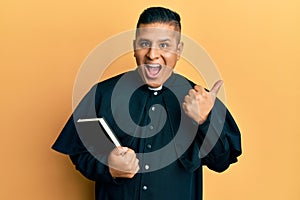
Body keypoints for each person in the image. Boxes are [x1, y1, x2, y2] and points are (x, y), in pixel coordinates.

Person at [52, 7, 242, 200]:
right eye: (145, 43)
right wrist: (107, 168)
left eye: (164, 45)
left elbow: (221, 162)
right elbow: (80, 153)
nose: (152, 54)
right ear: (134, 47)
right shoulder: (102, 94)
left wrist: (205, 120)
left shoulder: (201, 100)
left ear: (179, 50)